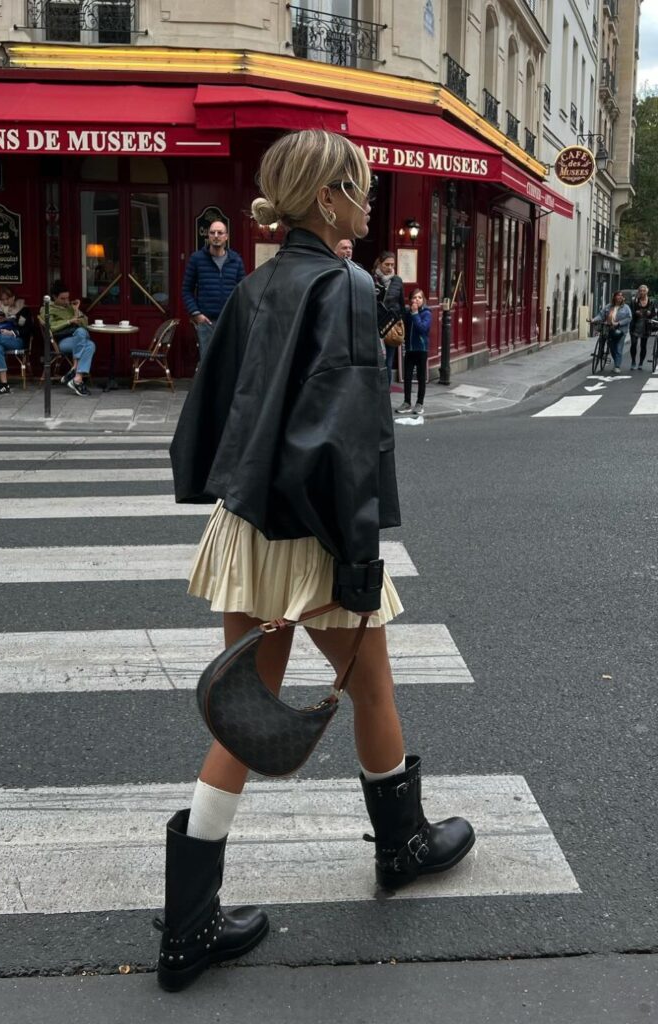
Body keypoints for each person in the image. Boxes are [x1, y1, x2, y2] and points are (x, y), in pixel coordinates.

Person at [164, 129, 475, 993]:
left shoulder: (256, 283)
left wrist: (221, 491)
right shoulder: (346, 285)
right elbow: (348, 435)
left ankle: (187, 927)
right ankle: (402, 846)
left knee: (244, 708)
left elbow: (212, 407)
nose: (369, 203)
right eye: (359, 187)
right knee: (369, 686)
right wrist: (359, 556)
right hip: (320, 529)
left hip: (251, 522)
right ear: (326, 197)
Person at [182, 220, 246, 360]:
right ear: (208, 236)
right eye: (212, 232)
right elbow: (186, 290)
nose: (216, 235)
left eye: (220, 232)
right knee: (208, 363)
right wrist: (196, 314)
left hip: (229, 321)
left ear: (226, 236)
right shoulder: (197, 259)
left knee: (229, 363)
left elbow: (243, 292)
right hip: (207, 322)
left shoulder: (236, 260)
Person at [40, 282, 95, 396]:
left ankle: (77, 379)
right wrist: (69, 321)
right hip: (62, 342)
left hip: (78, 340)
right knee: (81, 333)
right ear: (54, 297)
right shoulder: (47, 308)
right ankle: (75, 368)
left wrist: (76, 310)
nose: (66, 301)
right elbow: (50, 327)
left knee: (91, 345)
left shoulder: (70, 307)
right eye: (62, 298)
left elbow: (85, 323)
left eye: (67, 298)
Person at [396, 288, 432, 416]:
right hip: (410, 349)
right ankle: (406, 402)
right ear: (410, 300)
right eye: (414, 297)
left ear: (423, 300)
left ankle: (419, 403)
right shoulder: (407, 313)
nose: (417, 299)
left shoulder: (427, 313)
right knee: (407, 377)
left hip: (421, 349)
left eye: (419, 297)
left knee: (421, 377)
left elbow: (422, 328)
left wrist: (416, 314)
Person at [372, 251, 405, 386]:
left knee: (388, 362)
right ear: (380, 264)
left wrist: (398, 318)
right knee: (376, 360)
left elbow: (401, 304)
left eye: (392, 265)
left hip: (391, 326)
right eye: (387, 264)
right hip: (374, 325)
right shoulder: (371, 279)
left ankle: (386, 392)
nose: (390, 267)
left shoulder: (397, 280)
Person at [593, 290, 632, 374]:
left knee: (618, 347)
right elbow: (601, 315)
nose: (620, 297)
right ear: (614, 297)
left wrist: (619, 323)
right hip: (609, 329)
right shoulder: (608, 306)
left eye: (621, 296)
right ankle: (614, 360)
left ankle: (617, 366)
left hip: (620, 330)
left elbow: (629, 318)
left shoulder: (626, 307)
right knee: (611, 347)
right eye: (618, 295)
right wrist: (593, 319)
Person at [0, 311, 21, 395]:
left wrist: (11, 333)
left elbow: (27, 328)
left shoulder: (22, 311)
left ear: (13, 298)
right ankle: (4, 385)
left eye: (7, 299)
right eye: (3, 299)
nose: (5, 301)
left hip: (16, 340)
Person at [629, 284, 656, 370]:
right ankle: (633, 361)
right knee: (633, 344)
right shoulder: (634, 301)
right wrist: (635, 313)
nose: (642, 292)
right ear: (638, 291)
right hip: (635, 325)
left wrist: (650, 314)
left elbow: (654, 314)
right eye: (640, 291)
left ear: (647, 291)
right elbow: (630, 313)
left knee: (643, 345)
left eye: (644, 291)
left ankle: (641, 362)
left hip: (646, 326)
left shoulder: (651, 301)